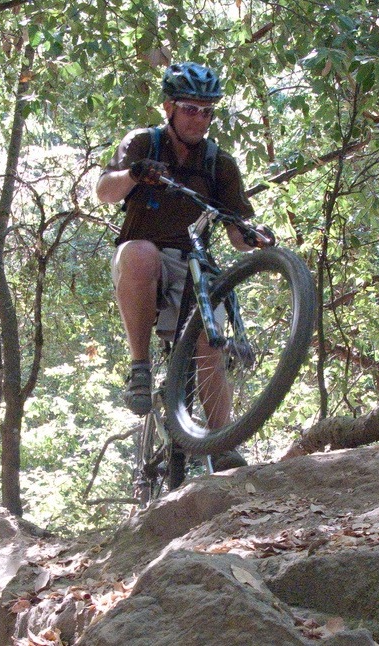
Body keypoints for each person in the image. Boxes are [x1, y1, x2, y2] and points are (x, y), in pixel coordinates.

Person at [96, 62, 257, 471]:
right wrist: (135, 173)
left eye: (206, 112)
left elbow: (238, 233)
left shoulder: (219, 163)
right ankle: (140, 366)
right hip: (143, 257)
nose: (198, 119)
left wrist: (254, 237)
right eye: (189, 109)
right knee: (141, 253)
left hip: (193, 263)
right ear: (168, 108)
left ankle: (222, 444)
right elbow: (104, 191)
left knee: (210, 342)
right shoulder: (143, 143)